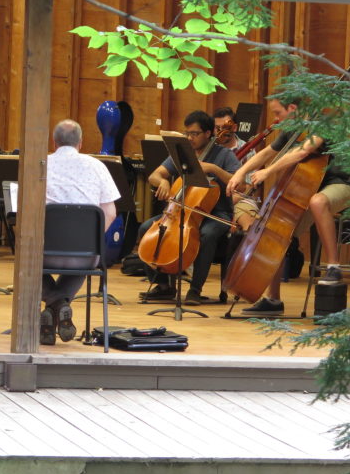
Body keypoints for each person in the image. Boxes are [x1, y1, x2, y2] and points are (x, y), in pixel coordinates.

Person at [226, 97, 350, 314]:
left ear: (292, 108)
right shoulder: (292, 129)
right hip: (309, 188)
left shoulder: (324, 124)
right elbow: (267, 153)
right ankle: (273, 300)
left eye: (278, 113)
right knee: (277, 231)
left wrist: (269, 171)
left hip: (341, 183)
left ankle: (333, 266)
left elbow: (302, 152)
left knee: (318, 201)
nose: (276, 119)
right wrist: (239, 172)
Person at [139, 110, 242, 305]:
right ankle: (163, 286)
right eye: (187, 133)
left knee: (207, 234)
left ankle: (195, 290)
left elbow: (241, 184)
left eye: (194, 134)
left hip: (217, 212)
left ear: (209, 133)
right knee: (145, 228)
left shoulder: (224, 154)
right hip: (182, 210)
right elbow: (155, 175)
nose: (190, 138)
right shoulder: (182, 153)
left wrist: (213, 169)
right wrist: (163, 182)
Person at [42, 119, 121, 346]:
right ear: (81, 143)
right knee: (87, 258)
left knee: (26, 261)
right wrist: (92, 240)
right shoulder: (97, 166)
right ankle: (60, 305)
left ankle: (54, 305)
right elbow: (111, 213)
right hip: (85, 255)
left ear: (54, 143)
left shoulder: (41, 164)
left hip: (46, 252)